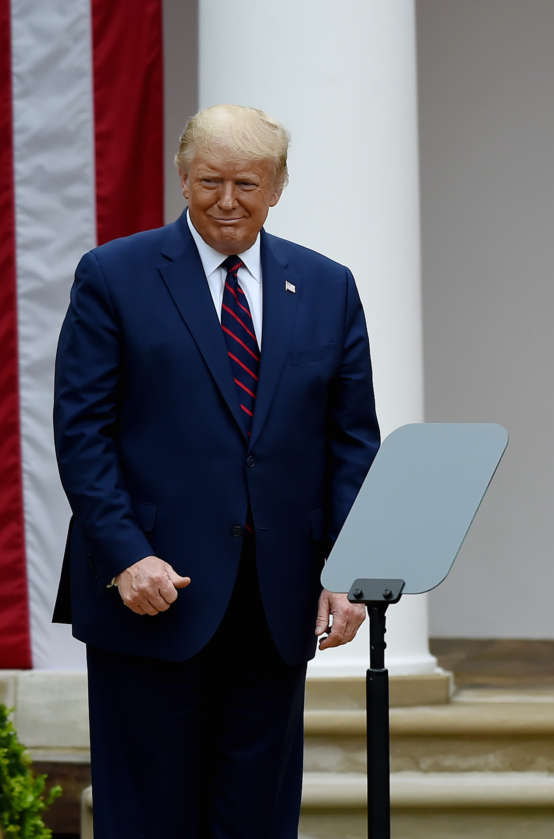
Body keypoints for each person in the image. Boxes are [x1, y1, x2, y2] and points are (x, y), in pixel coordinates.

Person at [52, 104, 380, 837]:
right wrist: (127, 553)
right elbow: (81, 434)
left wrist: (345, 566)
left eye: (246, 183)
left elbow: (352, 440)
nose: (227, 201)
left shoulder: (328, 286)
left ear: (278, 185)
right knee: (148, 818)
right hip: (149, 598)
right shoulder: (113, 275)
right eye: (209, 181)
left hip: (274, 603)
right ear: (182, 174)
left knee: (259, 820)